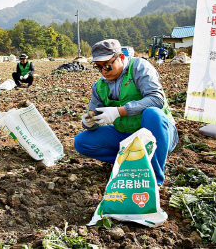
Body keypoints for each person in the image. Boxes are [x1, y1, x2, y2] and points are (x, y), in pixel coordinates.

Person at [73, 39, 178, 185]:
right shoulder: (99, 86)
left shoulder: (139, 67)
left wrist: (119, 111)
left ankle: (153, 178)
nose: (104, 72)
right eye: (99, 67)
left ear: (121, 57)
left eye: (107, 66)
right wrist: (89, 122)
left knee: (153, 114)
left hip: (158, 133)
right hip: (127, 135)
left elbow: (156, 99)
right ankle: (130, 162)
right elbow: (93, 114)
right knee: (82, 142)